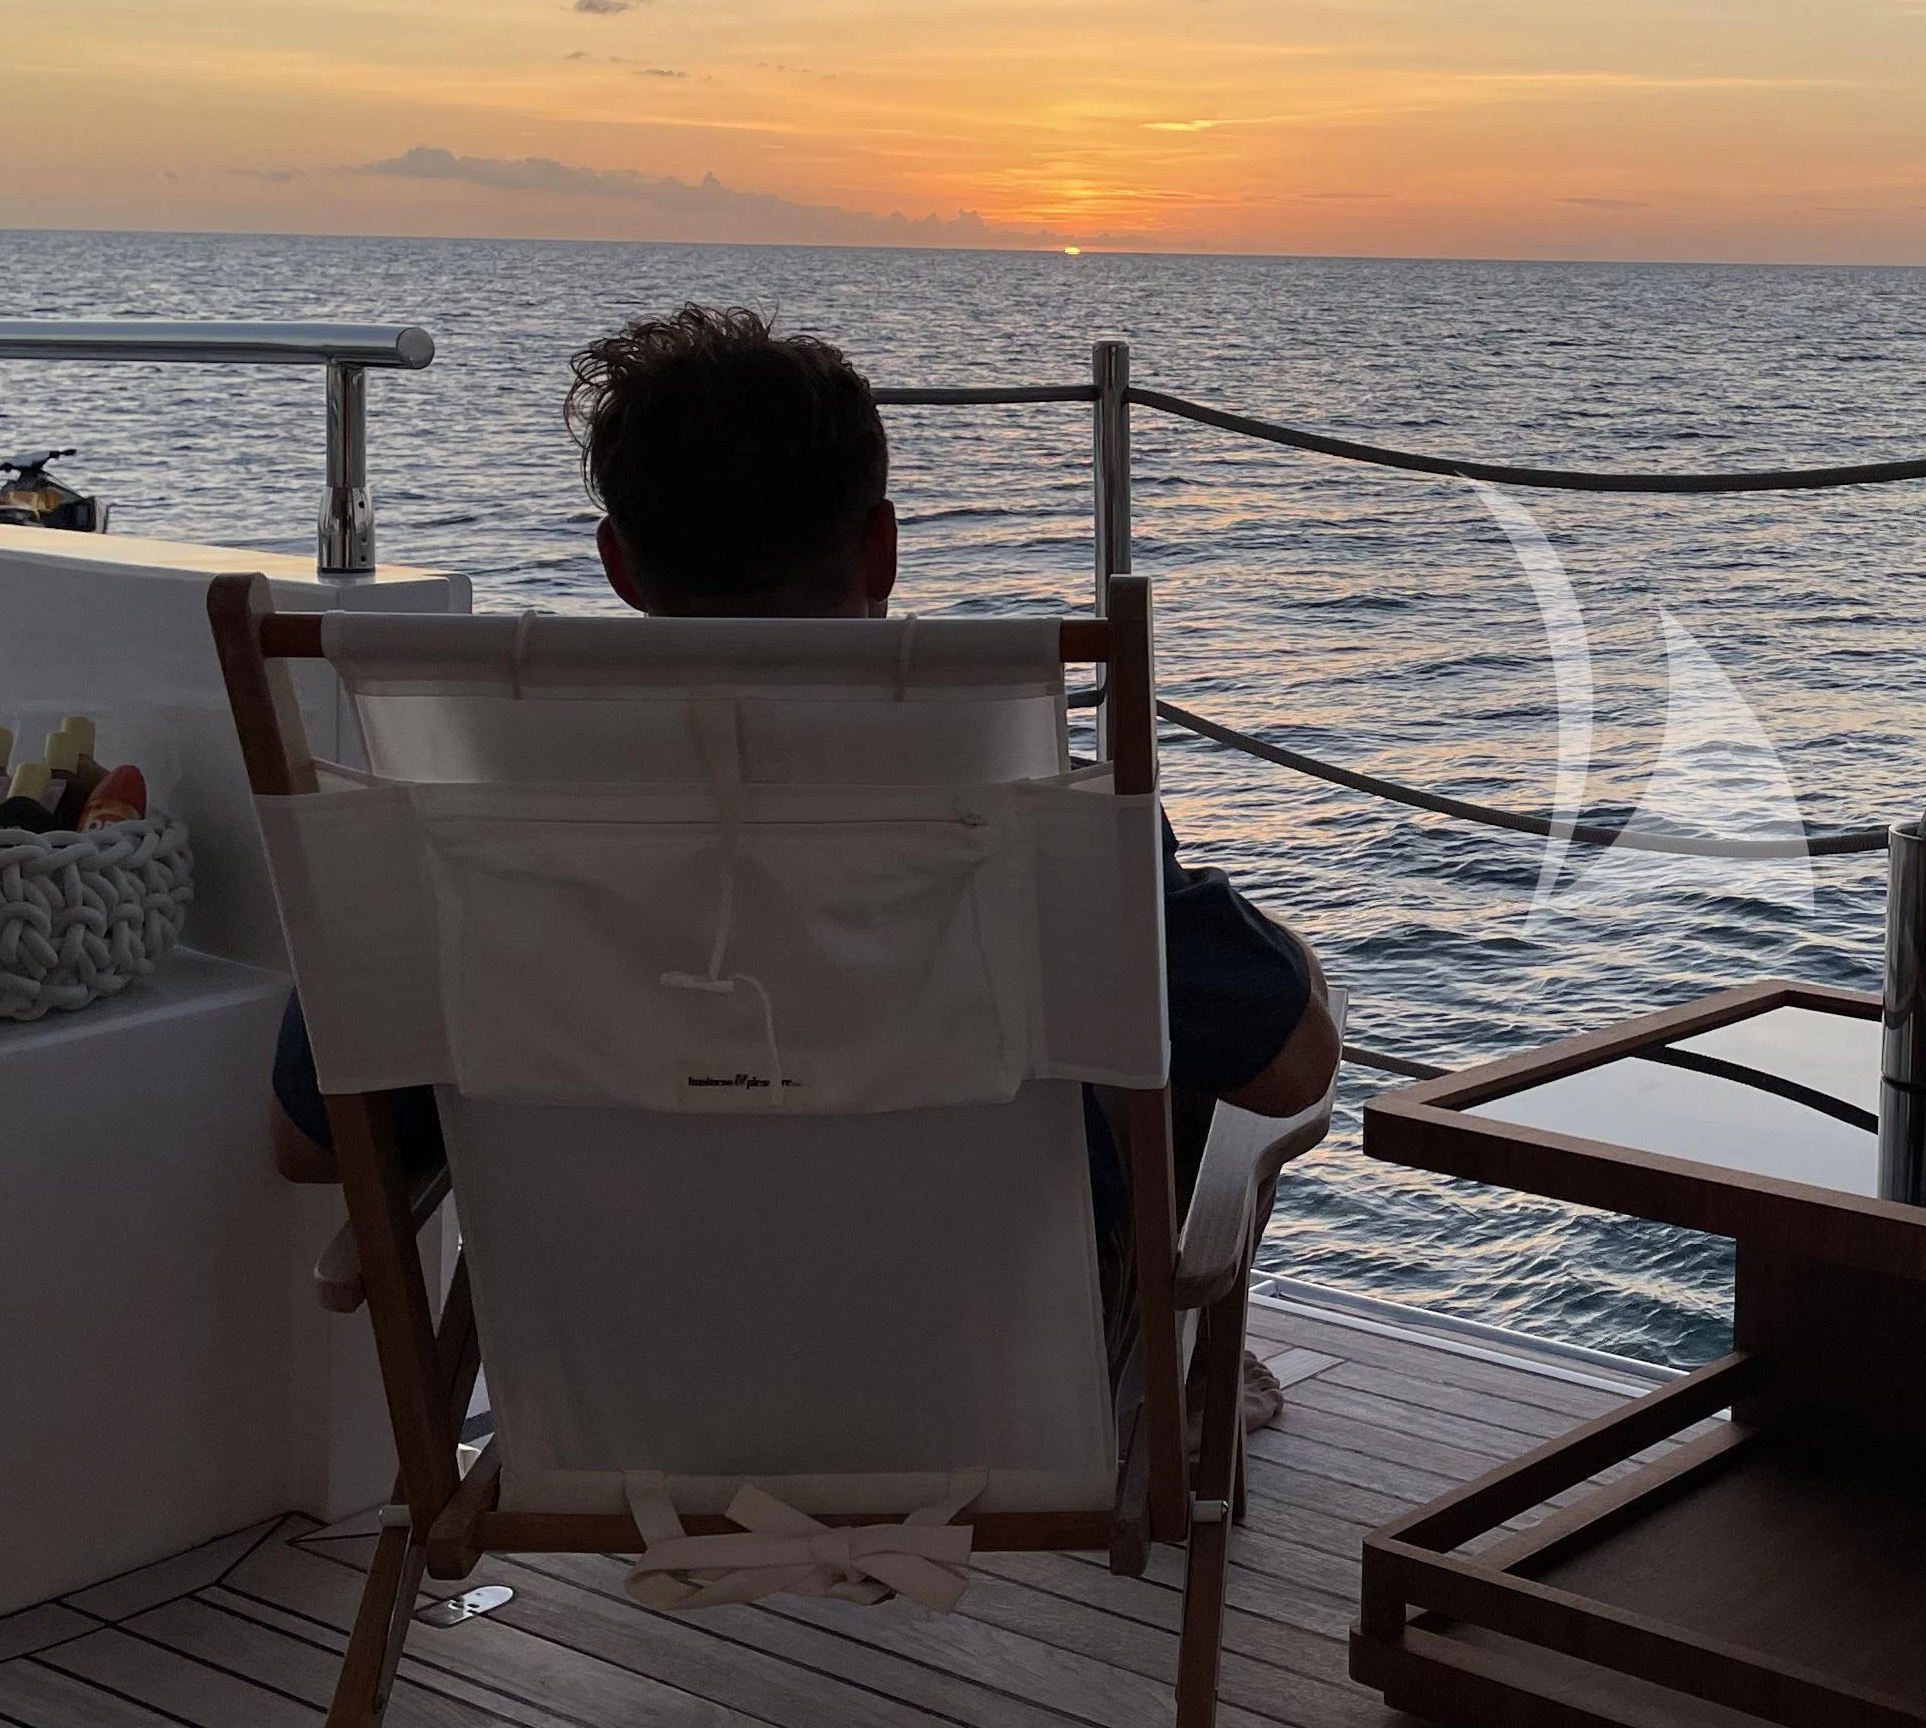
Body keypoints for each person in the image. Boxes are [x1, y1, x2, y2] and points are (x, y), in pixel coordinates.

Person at [269, 305, 1341, 1431]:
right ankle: (1174, 1390)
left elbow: (307, 1144)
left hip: (628, 1363)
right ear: (881, 547)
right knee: (1137, 1015)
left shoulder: (462, 829)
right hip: (986, 1367)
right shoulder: (1026, 817)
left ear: (619, 563)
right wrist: (1289, 962)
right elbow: (1290, 1071)